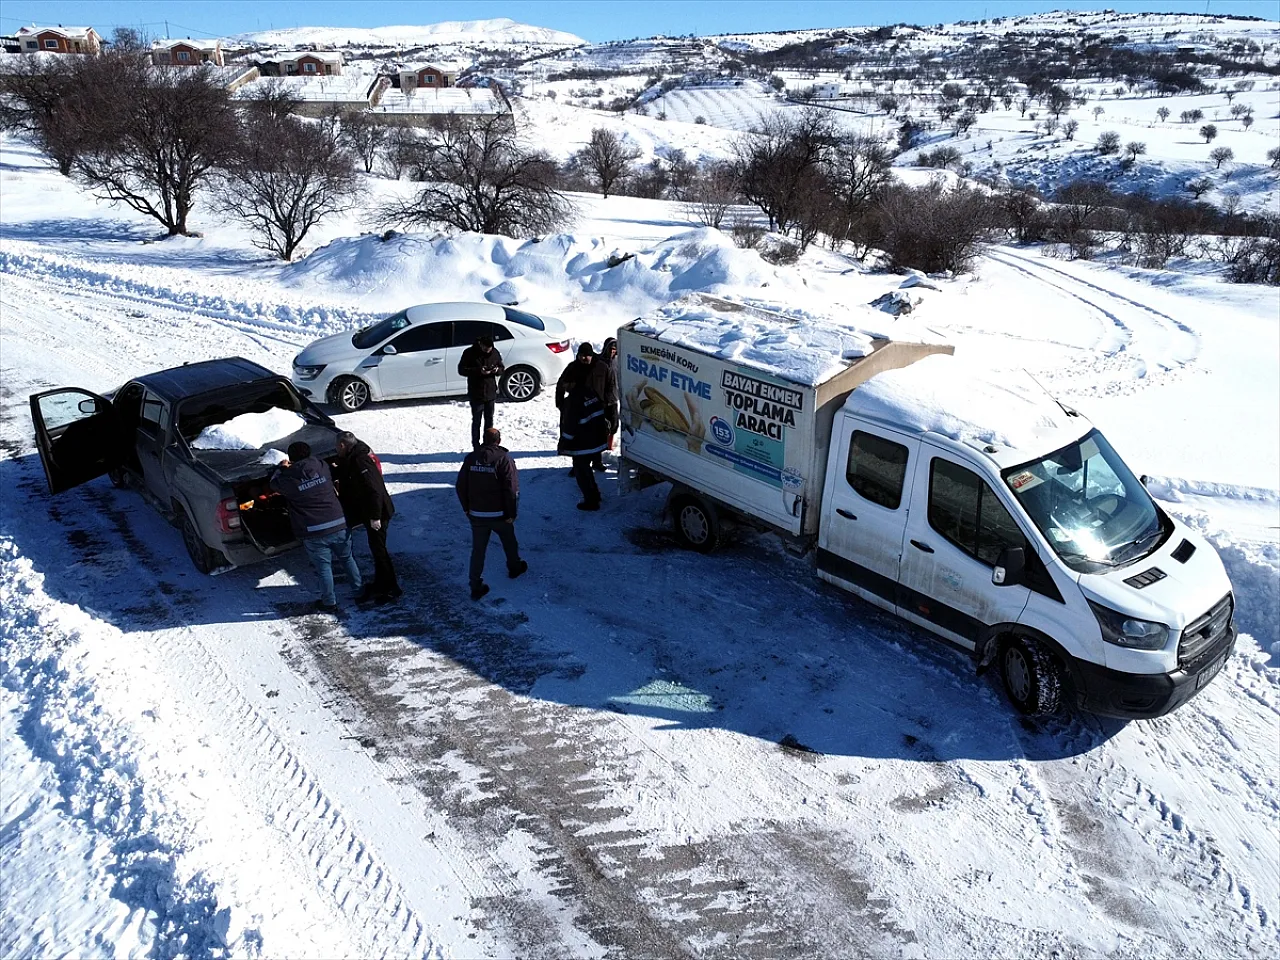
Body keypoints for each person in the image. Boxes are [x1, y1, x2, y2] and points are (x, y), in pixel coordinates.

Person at [270, 440, 364, 613]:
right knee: (347, 559)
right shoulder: (322, 466)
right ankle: (359, 592)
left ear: (291, 458)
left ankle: (329, 602)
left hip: (314, 530)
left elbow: (274, 485)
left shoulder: (288, 479)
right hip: (338, 523)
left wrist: (282, 468)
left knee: (324, 567)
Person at [456, 427, 527, 601]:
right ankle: (514, 567)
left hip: (477, 515)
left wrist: (467, 508)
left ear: (483, 440)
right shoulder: (504, 460)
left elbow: (460, 485)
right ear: (499, 441)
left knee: (478, 550)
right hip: (500, 514)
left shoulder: (471, 458)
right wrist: (512, 513)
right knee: (509, 542)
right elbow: (511, 489)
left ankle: (475, 584)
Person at [333, 430, 400, 604]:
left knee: (379, 551)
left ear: (342, 445)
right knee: (376, 549)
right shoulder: (355, 456)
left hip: (377, 513)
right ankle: (381, 583)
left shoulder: (360, 461)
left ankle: (391, 588)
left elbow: (374, 490)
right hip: (370, 511)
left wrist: (375, 516)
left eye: (336, 447)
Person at [560, 374, 610, 511]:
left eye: (565, 383)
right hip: (595, 439)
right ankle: (595, 495)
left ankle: (591, 501)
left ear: (572, 383)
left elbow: (570, 425)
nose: (563, 386)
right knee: (587, 470)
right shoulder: (590, 393)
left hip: (582, 443)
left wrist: (564, 442)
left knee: (582, 472)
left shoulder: (573, 400)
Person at [457, 335, 505, 449]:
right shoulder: (469, 353)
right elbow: (462, 370)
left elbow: (501, 368)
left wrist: (497, 370)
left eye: (490, 349)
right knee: (477, 420)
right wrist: (478, 371)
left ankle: (488, 444)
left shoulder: (494, 353)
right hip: (476, 392)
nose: (488, 351)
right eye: (486, 349)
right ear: (481, 345)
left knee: (489, 420)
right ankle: (476, 445)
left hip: (490, 392)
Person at [556, 342, 596, 477]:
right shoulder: (572, 368)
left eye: (587, 356)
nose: (585, 359)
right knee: (577, 438)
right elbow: (561, 385)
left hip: (594, 406)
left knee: (594, 436)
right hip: (576, 407)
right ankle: (577, 466)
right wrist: (561, 404)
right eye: (582, 356)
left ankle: (597, 461)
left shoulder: (598, 367)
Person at [588, 337, 620, 472]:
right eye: (611, 349)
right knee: (600, 429)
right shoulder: (600, 364)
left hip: (613, 399)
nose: (613, 352)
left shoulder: (615, 361)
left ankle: (608, 446)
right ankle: (596, 455)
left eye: (615, 350)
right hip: (602, 402)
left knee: (614, 424)